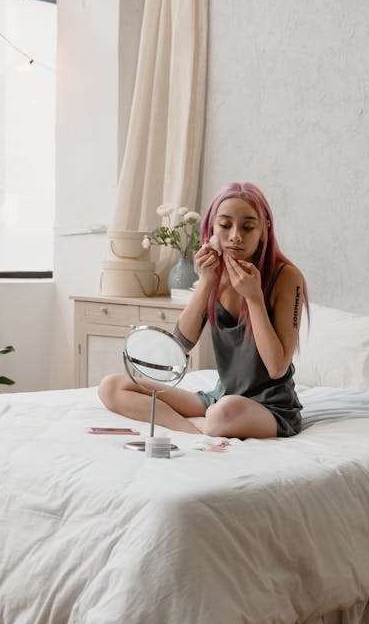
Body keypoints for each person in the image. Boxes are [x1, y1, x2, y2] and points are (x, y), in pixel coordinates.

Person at [98, 181, 308, 439]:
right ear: (211, 228)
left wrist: (254, 299)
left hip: (270, 408)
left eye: (248, 227)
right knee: (112, 387)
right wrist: (207, 282)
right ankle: (193, 428)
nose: (235, 235)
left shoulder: (287, 277)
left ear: (264, 230)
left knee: (223, 413)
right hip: (220, 397)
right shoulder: (214, 272)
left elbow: (277, 367)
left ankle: (205, 423)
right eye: (225, 225)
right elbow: (181, 346)